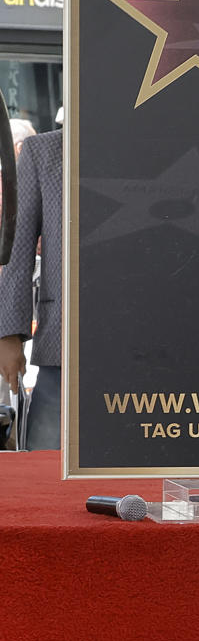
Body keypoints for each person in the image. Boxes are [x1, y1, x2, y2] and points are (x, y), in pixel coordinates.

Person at [0, 127, 63, 448]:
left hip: (147, 348)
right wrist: (9, 334)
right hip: (61, 342)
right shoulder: (44, 151)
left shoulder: (152, 141)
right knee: (44, 465)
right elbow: (18, 248)